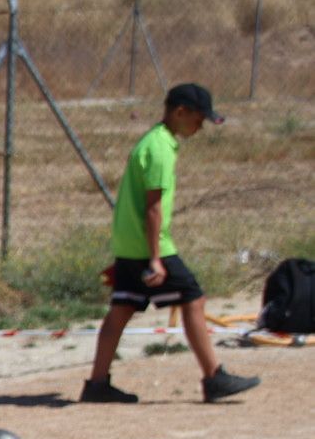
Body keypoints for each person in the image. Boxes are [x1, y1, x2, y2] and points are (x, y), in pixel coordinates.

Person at [81, 82, 260, 405]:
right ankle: (214, 377)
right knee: (194, 299)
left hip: (129, 244)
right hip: (151, 247)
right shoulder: (161, 148)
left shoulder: (152, 142)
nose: (200, 126)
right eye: (198, 118)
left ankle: (96, 384)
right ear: (180, 112)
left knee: (121, 310)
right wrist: (154, 259)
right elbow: (153, 208)